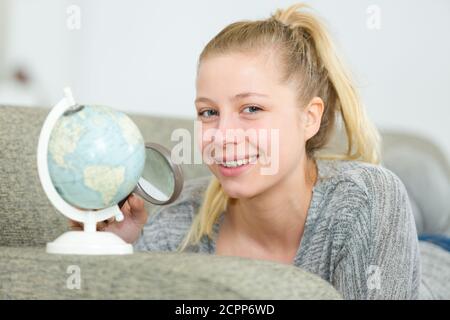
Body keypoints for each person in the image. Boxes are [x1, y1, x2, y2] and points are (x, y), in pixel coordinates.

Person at [70, 3, 420, 299]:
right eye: (209, 112)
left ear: (309, 118)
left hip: (434, 260)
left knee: (417, 182)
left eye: (251, 109)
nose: (222, 136)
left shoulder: (366, 198)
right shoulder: (173, 226)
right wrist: (112, 251)